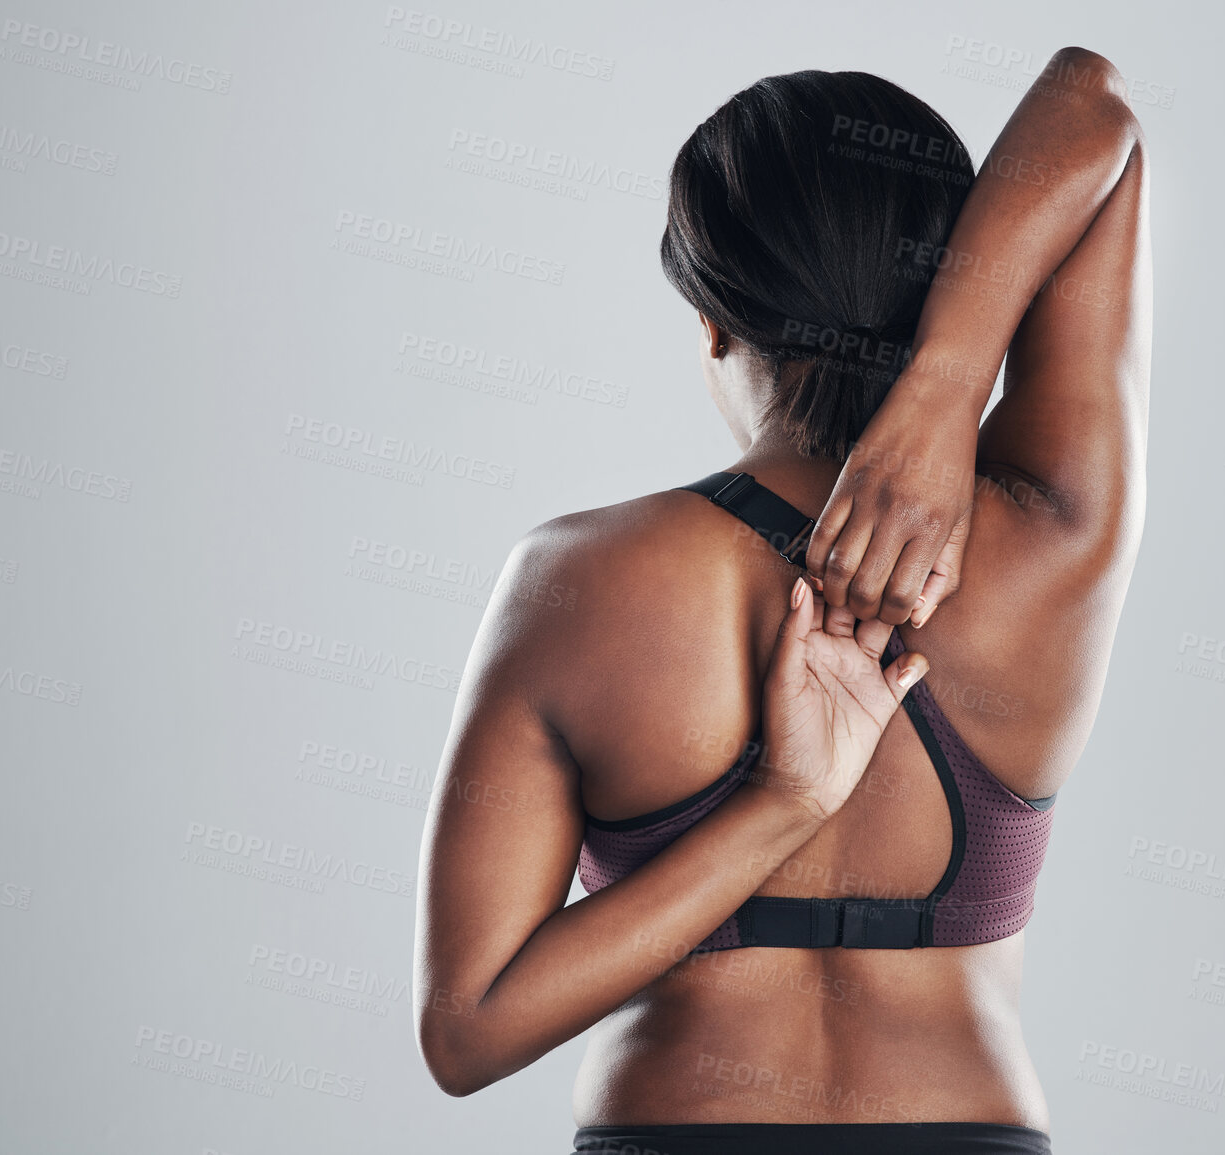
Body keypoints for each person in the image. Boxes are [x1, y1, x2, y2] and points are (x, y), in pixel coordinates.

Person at [415, 45, 1151, 1155]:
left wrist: (776, 808)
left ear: (713, 324)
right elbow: (1097, 110)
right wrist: (951, 383)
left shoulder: (579, 577)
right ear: (950, 274)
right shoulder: (1050, 530)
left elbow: (468, 1035)